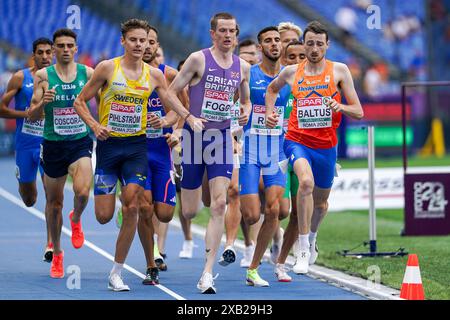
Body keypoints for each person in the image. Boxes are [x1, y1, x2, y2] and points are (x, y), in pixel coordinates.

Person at [74, 18, 202, 291]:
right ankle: (113, 210)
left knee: (134, 205)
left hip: (136, 147)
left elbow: (171, 100)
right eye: (133, 39)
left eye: (143, 40)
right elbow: (80, 101)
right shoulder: (108, 68)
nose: (139, 45)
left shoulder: (154, 75)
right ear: (123, 41)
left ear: (149, 44)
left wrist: (186, 119)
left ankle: (116, 272)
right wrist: (95, 125)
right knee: (104, 216)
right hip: (109, 150)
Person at [265, 21, 363, 276]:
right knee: (305, 183)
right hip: (297, 141)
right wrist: (269, 113)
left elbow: (359, 111)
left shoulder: (339, 71)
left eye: (320, 44)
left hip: (327, 146)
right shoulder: (291, 72)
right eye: (310, 43)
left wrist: (340, 107)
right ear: (304, 44)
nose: (315, 48)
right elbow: (271, 90)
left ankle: (311, 237)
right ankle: (303, 249)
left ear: (327, 45)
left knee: (321, 205)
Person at [168, 12, 251, 294]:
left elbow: (246, 102)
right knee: (190, 211)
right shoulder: (198, 59)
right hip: (193, 138)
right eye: (223, 31)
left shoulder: (243, 67)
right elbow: (169, 92)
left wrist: (244, 111)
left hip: (221, 139)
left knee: (219, 205)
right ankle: (186, 178)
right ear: (213, 34)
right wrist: (187, 117)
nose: (228, 35)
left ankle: (206, 273)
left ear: (237, 35)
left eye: (232, 31)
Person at [28, 29, 95, 279]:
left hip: (79, 142)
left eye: (70, 45)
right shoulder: (44, 76)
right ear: (54, 49)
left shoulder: (88, 74)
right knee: (54, 204)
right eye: (60, 46)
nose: (65, 49)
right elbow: (33, 115)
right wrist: (43, 103)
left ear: (76, 48)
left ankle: (76, 218)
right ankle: (57, 253)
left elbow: (104, 99)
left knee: (83, 191)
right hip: (53, 144)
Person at [239, 26, 290, 287]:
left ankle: (254, 268)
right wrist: (239, 116)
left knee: (274, 210)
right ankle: (254, 240)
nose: (273, 44)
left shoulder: (289, 77)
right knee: (250, 215)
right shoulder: (249, 73)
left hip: (277, 152)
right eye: (268, 41)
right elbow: (235, 101)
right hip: (249, 150)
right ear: (260, 48)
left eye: (277, 40)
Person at [0, 38, 54, 262]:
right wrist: (26, 114)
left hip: (49, 143)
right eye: (40, 52)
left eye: (48, 52)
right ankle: (22, 178)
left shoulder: (62, 77)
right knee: (29, 198)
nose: (44, 56)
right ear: (34, 54)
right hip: (25, 143)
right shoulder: (21, 77)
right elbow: (2, 109)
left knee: (52, 194)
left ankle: (51, 244)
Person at [275, 39, 307, 282]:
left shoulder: (314, 86)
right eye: (291, 57)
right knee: (282, 210)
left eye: (301, 57)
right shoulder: (279, 86)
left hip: (302, 154)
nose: (297, 62)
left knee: (297, 212)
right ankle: (270, 235)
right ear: (283, 61)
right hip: (276, 153)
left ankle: (281, 262)